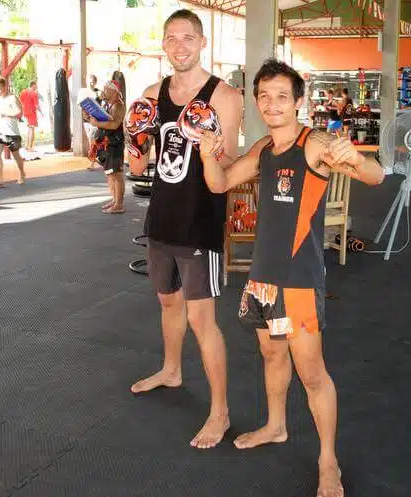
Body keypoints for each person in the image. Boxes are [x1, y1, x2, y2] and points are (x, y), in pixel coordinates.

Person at [199, 59, 384, 497]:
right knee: (272, 355)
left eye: (282, 96)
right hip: (263, 281)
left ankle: (328, 462)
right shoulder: (264, 148)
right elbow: (220, 184)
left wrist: (356, 158)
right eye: (264, 96)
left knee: (313, 373)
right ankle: (276, 426)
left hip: (298, 284)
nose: (272, 104)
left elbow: (375, 177)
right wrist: (208, 155)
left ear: (299, 101)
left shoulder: (315, 143)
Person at [126, 9, 242, 450]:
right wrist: (133, 140)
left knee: (202, 319)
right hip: (161, 218)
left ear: (202, 42)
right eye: (172, 38)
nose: (180, 46)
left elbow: (230, 166)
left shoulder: (225, 96)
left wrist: (213, 146)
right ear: (164, 43)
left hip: (201, 223)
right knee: (167, 302)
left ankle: (220, 412)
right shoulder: (152, 94)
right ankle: (171, 370)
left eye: (188, 38)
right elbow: (140, 163)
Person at [85, 80, 126, 213]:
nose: (104, 92)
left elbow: (114, 125)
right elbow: (105, 121)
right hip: (107, 143)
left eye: (107, 90)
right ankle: (114, 200)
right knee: (110, 174)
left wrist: (96, 123)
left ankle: (119, 204)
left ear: (114, 91)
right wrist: (90, 117)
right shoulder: (108, 104)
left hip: (114, 143)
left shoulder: (119, 105)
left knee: (116, 174)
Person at [0, 77, 26, 187]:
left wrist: (6, 115)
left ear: (5, 87)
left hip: (11, 132)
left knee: (15, 155)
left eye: (0, 88)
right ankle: (0, 178)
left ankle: (22, 174)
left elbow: (20, 114)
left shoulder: (12, 98)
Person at [19, 81, 40, 152]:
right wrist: (42, 113)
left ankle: (26, 146)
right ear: (33, 85)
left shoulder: (23, 92)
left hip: (25, 112)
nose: (36, 87)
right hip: (32, 113)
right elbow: (36, 106)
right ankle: (30, 147)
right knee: (32, 130)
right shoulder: (34, 93)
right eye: (36, 85)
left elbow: (21, 102)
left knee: (29, 129)